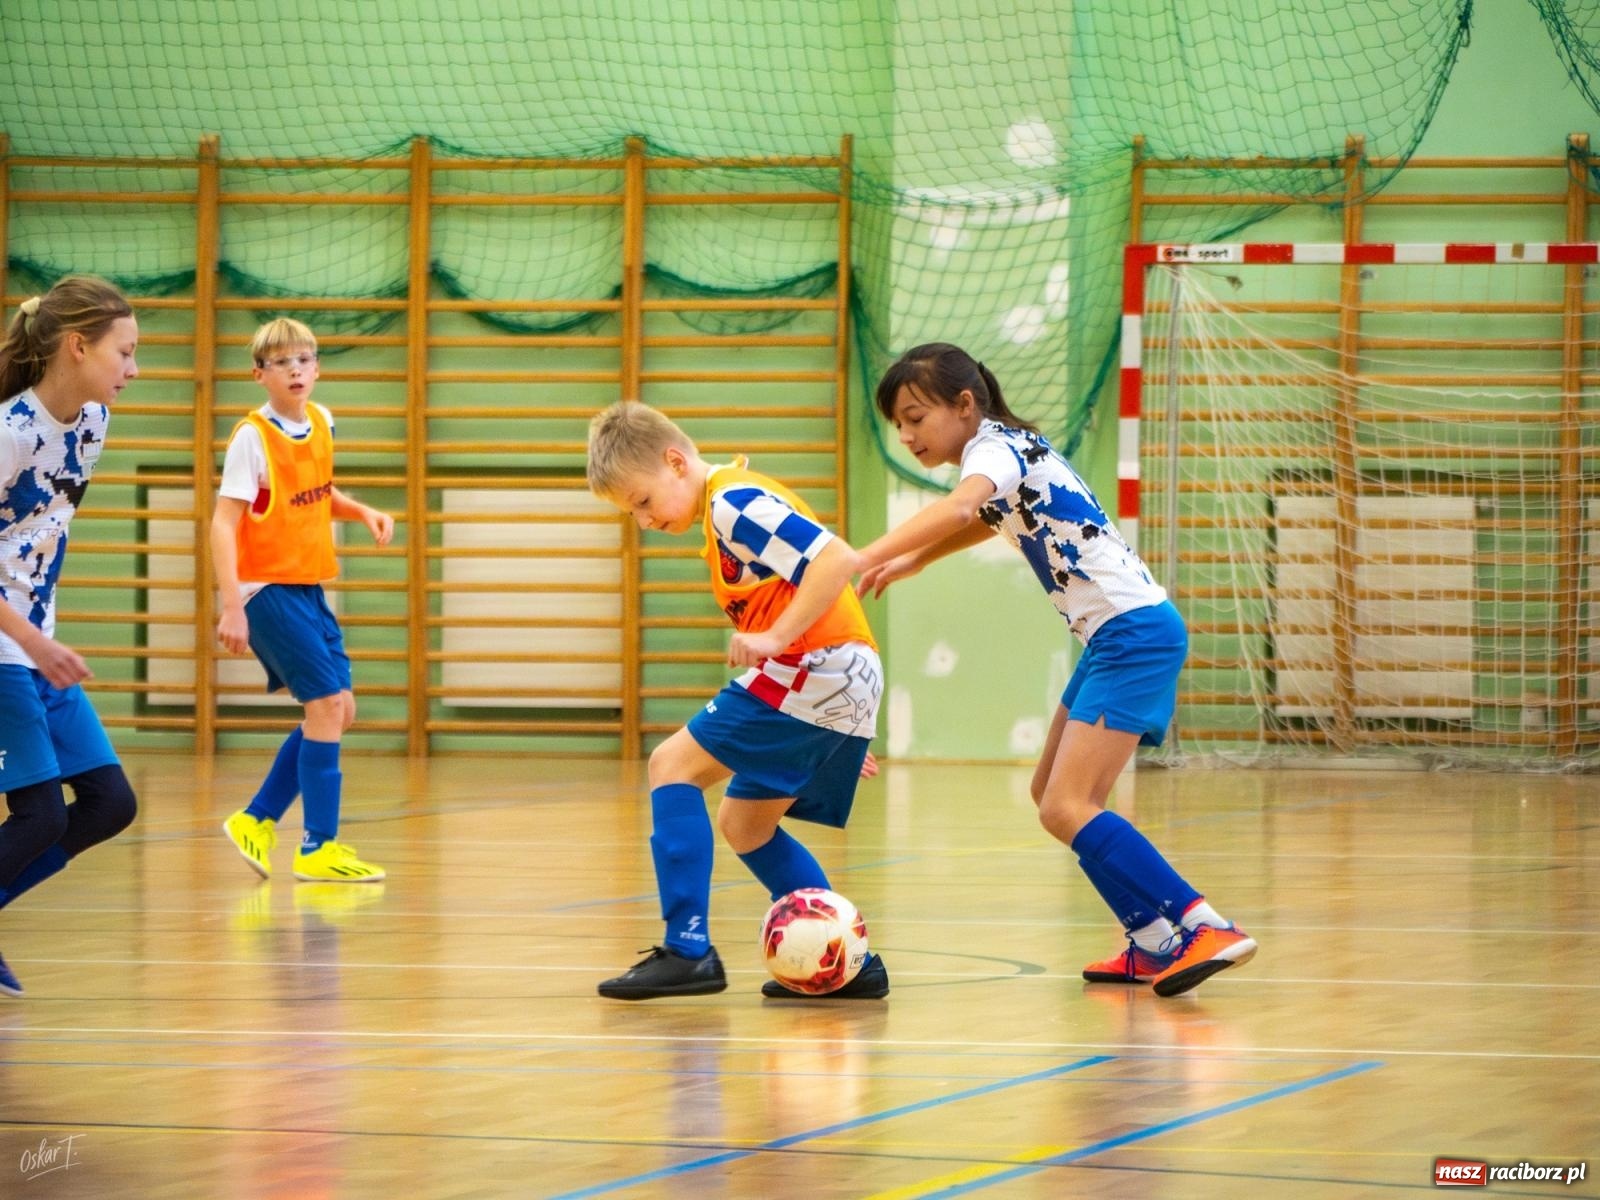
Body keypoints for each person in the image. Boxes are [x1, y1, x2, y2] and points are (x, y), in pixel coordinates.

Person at [855, 343, 1256, 998]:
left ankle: (1200, 922)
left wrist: (864, 553)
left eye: (915, 417)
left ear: (964, 405)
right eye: (897, 423)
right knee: (1053, 797)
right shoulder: (1011, 445)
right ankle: (1153, 942)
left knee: (1070, 803)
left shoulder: (990, 450)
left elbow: (963, 508)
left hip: (1132, 634)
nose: (905, 435)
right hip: (1115, 638)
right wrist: (919, 561)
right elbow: (989, 519)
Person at [586, 400, 885, 1000]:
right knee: (745, 824)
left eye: (643, 502)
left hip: (816, 665)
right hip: (832, 677)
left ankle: (688, 949)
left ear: (676, 461)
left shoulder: (733, 503)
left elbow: (836, 559)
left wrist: (776, 640)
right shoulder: (725, 510)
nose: (643, 521)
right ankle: (848, 963)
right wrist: (826, 733)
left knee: (670, 767)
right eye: (631, 514)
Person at [0, 276, 142, 996]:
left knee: (111, 803)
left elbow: (44, 530)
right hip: (6, 648)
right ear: (77, 346)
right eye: (125, 351)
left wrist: (44, 636)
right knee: (39, 815)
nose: (134, 368)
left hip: (36, 645)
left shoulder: (90, 422)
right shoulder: (9, 434)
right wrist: (33, 640)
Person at [213, 318, 392, 884]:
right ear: (259, 373)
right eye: (282, 362)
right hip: (264, 588)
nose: (295, 369)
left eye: (304, 359)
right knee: (324, 709)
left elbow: (314, 495)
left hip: (307, 585)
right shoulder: (252, 437)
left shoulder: (321, 421)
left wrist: (360, 510)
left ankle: (256, 819)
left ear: (317, 368)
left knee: (340, 709)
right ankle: (318, 847)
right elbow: (222, 525)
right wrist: (231, 605)